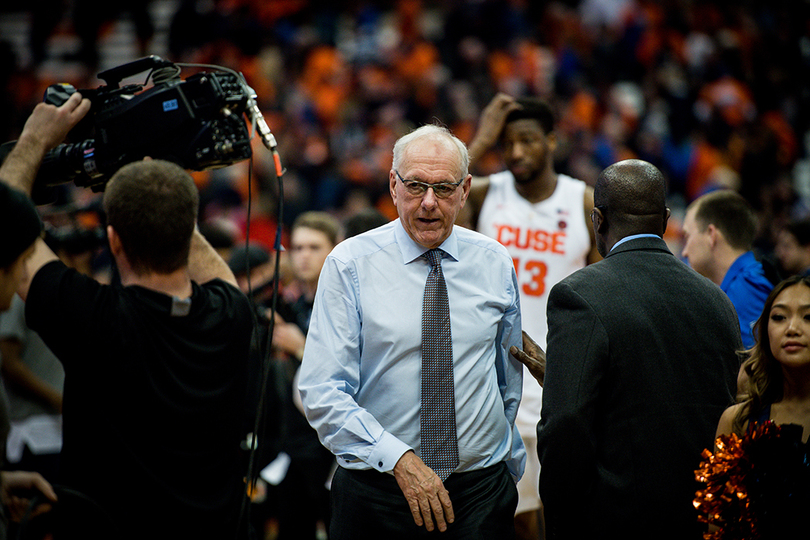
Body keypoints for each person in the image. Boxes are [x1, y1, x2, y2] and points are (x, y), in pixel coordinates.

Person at [0, 92, 254, 539]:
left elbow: (4, 218)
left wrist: (33, 140)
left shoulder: (90, 316)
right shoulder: (232, 313)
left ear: (113, 241)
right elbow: (187, 233)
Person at [298, 124, 526, 539]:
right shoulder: (349, 264)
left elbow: (506, 377)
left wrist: (502, 467)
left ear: (465, 189)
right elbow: (321, 390)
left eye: (442, 188)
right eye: (416, 185)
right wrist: (398, 459)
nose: (427, 203)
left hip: (479, 494)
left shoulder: (494, 261)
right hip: (378, 494)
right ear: (392, 185)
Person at [536, 159, 742, 539]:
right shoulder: (718, 301)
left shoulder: (579, 294)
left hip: (611, 520)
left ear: (597, 219)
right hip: (699, 519)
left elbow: (566, 425)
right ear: (665, 219)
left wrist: (559, 517)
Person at [460, 93, 600, 538]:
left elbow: (609, 292)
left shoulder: (583, 202)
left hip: (562, 379)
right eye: (507, 143)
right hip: (494, 380)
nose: (516, 152)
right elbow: (430, 205)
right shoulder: (482, 194)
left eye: (528, 140)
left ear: (552, 141)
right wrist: (479, 141)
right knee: (510, 519)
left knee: (567, 514)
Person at [710, 275, 810, 537]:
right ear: (765, 330)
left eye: (808, 317)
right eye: (779, 317)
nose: (792, 328)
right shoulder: (738, 420)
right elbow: (717, 521)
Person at [272, 211, 340, 540]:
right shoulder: (293, 305)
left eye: (314, 247)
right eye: (297, 248)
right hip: (293, 443)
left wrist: (301, 350)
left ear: (334, 249)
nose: (303, 256)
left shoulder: (343, 304)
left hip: (330, 449)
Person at [681, 189, 774, 349]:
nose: (684, 252)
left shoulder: (747, 290)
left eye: (687, 237)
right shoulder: (741, 285)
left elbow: (756, 369)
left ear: (711, 235)